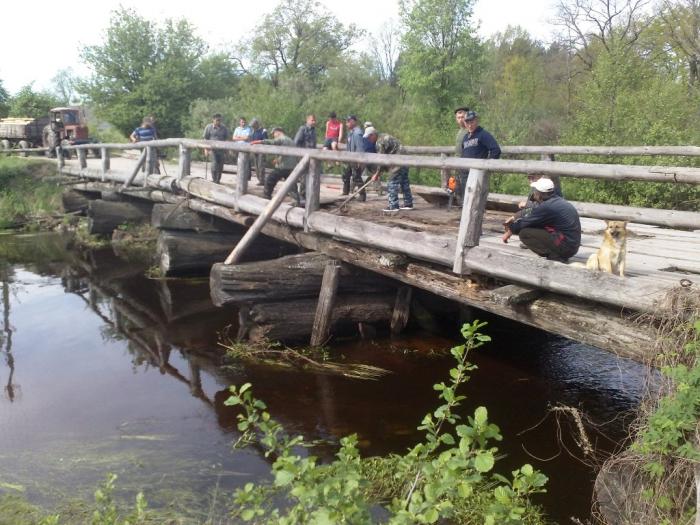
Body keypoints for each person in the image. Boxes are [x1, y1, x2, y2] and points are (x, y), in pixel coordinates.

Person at [502, 177, 581, 262]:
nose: (534, 193)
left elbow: (525, 222)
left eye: (535, 191)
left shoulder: (547, 207)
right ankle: (558, 254)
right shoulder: (556, 201)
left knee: (525, 233)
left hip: (566, 247)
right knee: (535, 226)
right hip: (572, 245)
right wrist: (515, 217)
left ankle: (556, 257)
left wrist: (510, 229)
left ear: (540, 193)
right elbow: (532, 212)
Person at [364, 127, 413, 212]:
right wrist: (379, 172)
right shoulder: (383, 136)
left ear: (373, 135)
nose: (368, 139)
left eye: (369, 137)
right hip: (405, 158)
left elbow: (381, 160)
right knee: (404, 181)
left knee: (392, 181)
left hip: (397, 160)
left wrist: (377, 174)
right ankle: (408, 204)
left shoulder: (379, 142)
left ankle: (393, 205)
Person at [251, 127, 301, 205]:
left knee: (270, 180)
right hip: (291, 167)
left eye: (274, 134)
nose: (274, 136)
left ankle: (266, 198)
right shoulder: (290, 140)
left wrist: (259, 141)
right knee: (291, 185)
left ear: (278, 132)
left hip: (282, 167)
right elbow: (287, 153)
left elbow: (273, 142)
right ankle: (297, 201)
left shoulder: (281, 138)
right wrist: (278, 159)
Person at [460, 110, 501, 200]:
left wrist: (487, 166)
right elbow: (463, 154)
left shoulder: (483, 134)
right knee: (464, 199)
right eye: (467, 122)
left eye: (472, 122)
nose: (470, 125)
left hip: (477, 173)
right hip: (465, 174)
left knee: (476, 199)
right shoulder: (465, 137)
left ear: (476, 120)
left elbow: (496, 150)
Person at [202, 113, 230, 184]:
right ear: (213, 120)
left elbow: (226, 139)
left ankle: (218, 180)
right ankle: (214, 179)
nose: (218, 122)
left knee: (220, 166)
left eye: (220, 120)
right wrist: (205, 149)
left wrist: (227, 150)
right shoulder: (208, 127)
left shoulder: (224, 128)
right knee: (214, 165)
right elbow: (205, 138)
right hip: (212, 150)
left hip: (221, 150)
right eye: (217, 120)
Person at [342, 115, 365, 198]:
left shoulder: (357, 133)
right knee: (345, 175)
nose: (346, 124)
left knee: (356, 177)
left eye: (348, 122)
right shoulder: (350, 132)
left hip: (355, 159)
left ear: (353, 122)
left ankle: (362, 195)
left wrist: (359, 160)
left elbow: (360, 147)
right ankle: (345, 192)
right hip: (349, 158)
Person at [249, 118, 268, 186]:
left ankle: (262, 180)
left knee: (261, 166)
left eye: (253, 125)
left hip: (261, 151)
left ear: (256, 124)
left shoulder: (263, 131)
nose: (253, 127)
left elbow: (265, 141)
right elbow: (251, 140)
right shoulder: (252, 131)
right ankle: (260, 179)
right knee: (256, 166)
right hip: (255, 151)